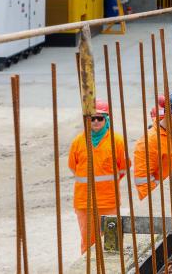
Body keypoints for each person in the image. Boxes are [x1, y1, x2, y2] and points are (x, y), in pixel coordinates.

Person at [67, 99, 127, 254]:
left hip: (109, 202)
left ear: (106, 119)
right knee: (89, 245)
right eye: (91, 118)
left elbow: (123, 167)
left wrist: (107, 185)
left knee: (111, 244)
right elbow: (73, 167)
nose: (95, 121)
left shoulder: (117, 141)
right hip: (84, 203)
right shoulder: (78, 142)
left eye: (99, 118)